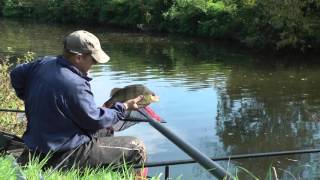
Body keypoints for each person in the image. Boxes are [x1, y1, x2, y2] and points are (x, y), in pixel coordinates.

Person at [10, 30, 147, 174]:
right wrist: (123, 106)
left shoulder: (44, 63)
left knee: (107, 129)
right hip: (63, 154)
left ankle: (103, 172)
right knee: (137, 147)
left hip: (39, 145)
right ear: (78, 57)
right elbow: (96, 120)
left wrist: (29, 96)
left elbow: (16, 74)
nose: (94, 64)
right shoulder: (75, 84)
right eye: (93, 60)